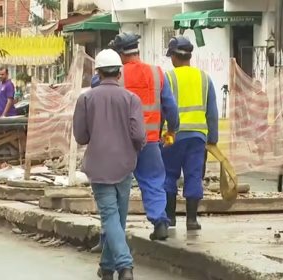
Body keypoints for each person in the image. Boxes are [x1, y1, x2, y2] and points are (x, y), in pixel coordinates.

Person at [73, 49, 146, 280]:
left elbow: (81, 137)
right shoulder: (132, 99)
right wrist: (134, 149)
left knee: (111, 217)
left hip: (99, 167)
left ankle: (123, 266)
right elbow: (139, 134)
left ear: (98, 72)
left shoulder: (86, 98)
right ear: (119, 73)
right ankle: (107, 267)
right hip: (125, 165)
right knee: (118, 218)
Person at [107, 32, 180, 241]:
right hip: (150, 141)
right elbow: (171, 108)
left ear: (120, 54)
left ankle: (112, 234)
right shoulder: (157, 74)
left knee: (117, 187)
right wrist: (172, 130)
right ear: (136, 51)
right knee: (154, 181)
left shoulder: (116, 75)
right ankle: (160, 222)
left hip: (122, 143)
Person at [162, 36, 219, 230]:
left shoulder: (168, 78)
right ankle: (192, 220)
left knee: (169, 174)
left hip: (172, 135)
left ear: (174, 57)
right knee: (194, 175)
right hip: (197, 137)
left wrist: (158, 137)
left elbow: (163, 109)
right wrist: (212, 139)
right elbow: (212, 113)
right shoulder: (204, 78)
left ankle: (169, 218)